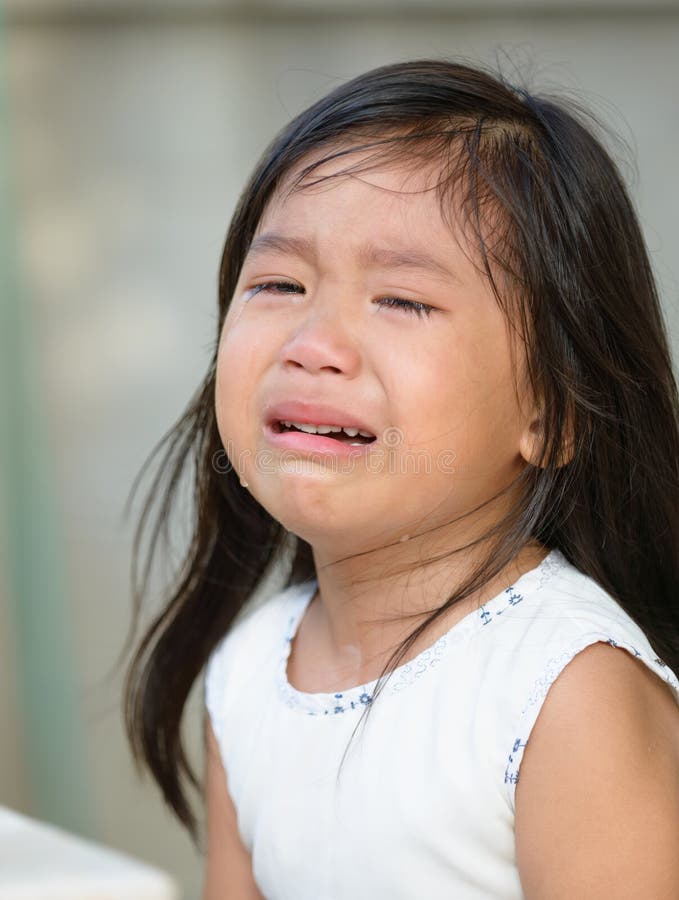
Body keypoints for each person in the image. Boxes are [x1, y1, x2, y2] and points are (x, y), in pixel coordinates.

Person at [122, 58, 679, 899]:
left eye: (402, 301)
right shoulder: (248, 669)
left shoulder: (566, 691)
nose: (313, 341)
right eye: (278, 283)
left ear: (554, 411)